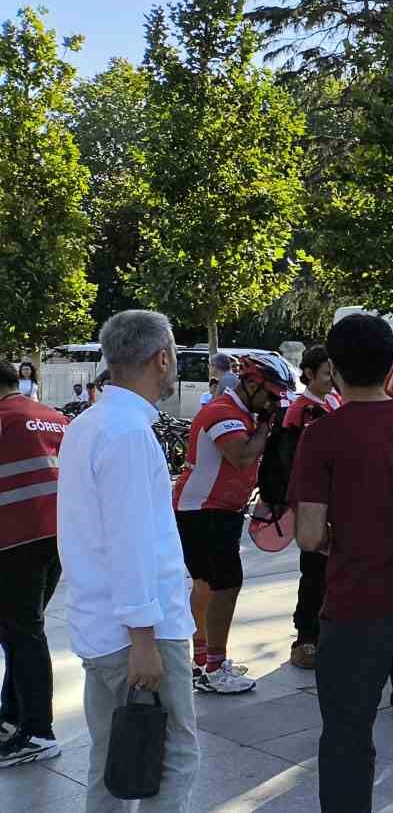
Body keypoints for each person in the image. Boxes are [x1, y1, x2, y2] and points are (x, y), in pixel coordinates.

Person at [290, 313, 393, 813]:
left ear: (334, 369)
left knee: (346, 734)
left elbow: (308, 535)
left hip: (355, 605)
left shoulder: (322, 435)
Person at [57, 310, 200, 811]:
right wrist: (144, 639)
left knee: (114, 761)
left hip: (104, 627)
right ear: (162, 358)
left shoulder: (91, 423)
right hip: (137, 634)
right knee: (174, 756)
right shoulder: (126, 432)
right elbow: (131, 542)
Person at [173, 353, 295, 694]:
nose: (273, 402)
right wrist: (267, 426)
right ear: (252, 384)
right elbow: (241, 455)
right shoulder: (222, 412)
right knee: (225, 585)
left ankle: (202, 659)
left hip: (212, 509)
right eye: (270, 394)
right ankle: (213, 666)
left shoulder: (240, 412)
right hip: (205, 510)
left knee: (207, 583)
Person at [0, 360, 70, 767]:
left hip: (12, 541)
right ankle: (12, 713)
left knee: (23, 634)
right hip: (57, 538)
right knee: (20, 629)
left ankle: (39, 732)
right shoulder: (54, 418)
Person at [281, 346, 342, 670]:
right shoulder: (300, 410)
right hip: (313, 503)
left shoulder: (333, 402)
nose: (331, 379)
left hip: (337, 502)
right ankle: (306, 637)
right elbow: (295, 464)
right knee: (314, 574)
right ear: (307, 374)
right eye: (324, 373)